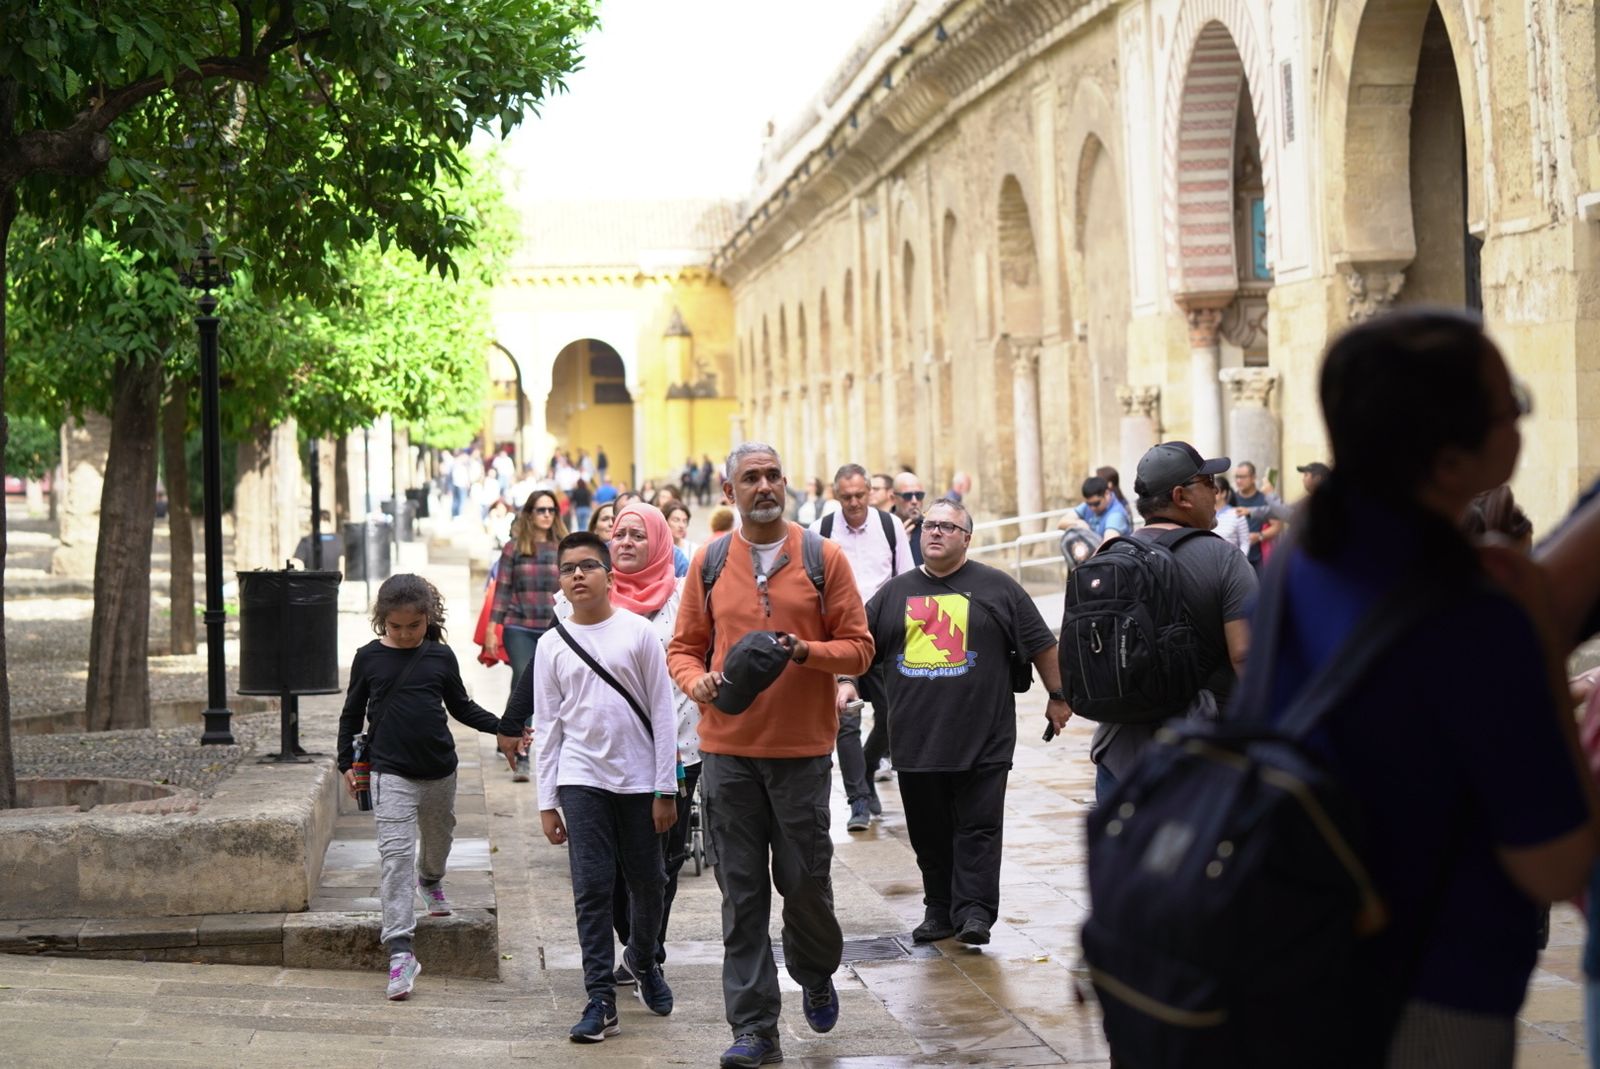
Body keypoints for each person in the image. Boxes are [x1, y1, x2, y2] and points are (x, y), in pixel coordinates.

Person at [1249, 309, 1596, 1065]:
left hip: (1301, 959)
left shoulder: (1306, 548)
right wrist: (1541, 643)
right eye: (1511, 408)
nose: (1521, 423)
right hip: (1429, 991)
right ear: (1447, 460)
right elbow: (1556, 862)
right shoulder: (1479, 612)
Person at [667, 442, 874, 1069]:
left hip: (802, 753)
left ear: (785, 484)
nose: (765, 486)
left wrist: (807, 652)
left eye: (773, 475)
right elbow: (683, 648)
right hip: (727, 752)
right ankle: (755, 1029)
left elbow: (860, 648)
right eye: (751, 477)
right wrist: (696, 681)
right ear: (729, 492)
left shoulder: (822, 557)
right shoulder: (708, 562)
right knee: (742, 894)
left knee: (805, 882)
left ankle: (814, 969)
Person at [848, 498, 1064, 947]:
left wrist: (1058, 697)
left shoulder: (999, 587)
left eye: (947, 527)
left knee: (979, 828)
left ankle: (975, 913)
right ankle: (939, 910)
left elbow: (1042, 643)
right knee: (929, 833)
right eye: (930, 525)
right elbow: (858, 644)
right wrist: (846, 682)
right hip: (917, 740)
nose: (935, 532)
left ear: (967, 538)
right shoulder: (894, 593)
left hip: (985, 737)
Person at [530, 532, 680, 1041]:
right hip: (581, 779)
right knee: (592, 888)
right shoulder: (551, 644)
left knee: (648, 880)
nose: (578, 575)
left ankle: (643, 959)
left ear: (610, 576)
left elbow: (663, 712)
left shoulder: (638, 634)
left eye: (588, 565)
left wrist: (665, 789)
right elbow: (548, 726)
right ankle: (599, 997)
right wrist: (546, 801)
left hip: (639, 779)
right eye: (568, 568)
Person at [336, 574, 510, 1001]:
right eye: (395, 626)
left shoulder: (440, 657)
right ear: (382, 620)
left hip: (439, 770)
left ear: (427, 618)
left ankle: (430, 880)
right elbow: (351, 714)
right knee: (395, 858)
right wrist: (345, 763)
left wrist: (504, 728)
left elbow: (461, 707)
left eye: (413, 626)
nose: (404, 633)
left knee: (439, 836)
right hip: (389, 772)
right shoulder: (368, 658)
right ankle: (400, 950)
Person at [1087, 441, 1257, 804]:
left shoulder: (1110, 556)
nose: (1216, 492)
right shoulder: (1224, 559)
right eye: (1208, 483)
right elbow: (1246, 656)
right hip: (1202, 756)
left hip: (1118, 754)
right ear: (1181, 496)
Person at [811, 463, 914, 830]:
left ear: (870, 492)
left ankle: (868, 769)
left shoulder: (889, 526)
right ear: (836, 496)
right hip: (840, 636)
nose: (854, 503)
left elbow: (906, 579)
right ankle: (858, 800)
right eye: (846, 497)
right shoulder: (821, 530)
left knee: (893, 714)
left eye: (859, 495)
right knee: (846, 717)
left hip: (883, 637)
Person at [488, 489, 566, 780]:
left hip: (552, 626)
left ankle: (507, 729)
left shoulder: (563, 547)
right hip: (518, 624)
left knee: (538, 686)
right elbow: (502, 590)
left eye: (551, 510)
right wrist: (492, 628)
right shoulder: (514, 548)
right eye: (541, 510)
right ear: (529, 514)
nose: (547, 515)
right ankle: (522, 753)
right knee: (526, 678)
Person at [1056, 475, 1132, 561]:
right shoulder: (1088, 506)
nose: (1092, 508)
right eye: (1089, 504)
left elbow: (1107, 544)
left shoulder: (1116, 514)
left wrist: (1088, 563)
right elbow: (1061, 523)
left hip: (1113, 560)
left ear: (1106, 494)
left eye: (1096, 503)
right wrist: (1078, 523)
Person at [1232, 461, 1281, 571]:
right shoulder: (1231, 499)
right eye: (1236, 477)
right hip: (1236, 560)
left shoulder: (1265, 499)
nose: (1238, 481)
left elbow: (1277, 526)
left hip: (1259, 560)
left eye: (1242, 477)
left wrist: (1259, 536)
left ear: (1253, 478)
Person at [893, 472, 927, 566]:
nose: (914, 501)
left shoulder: (931, 528)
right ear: (893, 498)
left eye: (919, 495)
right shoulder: (883, 526)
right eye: (907, 496)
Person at [1212, 475, 1250, 555]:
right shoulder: (1204, 514)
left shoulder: (1237, 514)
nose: (1212, 493)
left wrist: (1240, 560)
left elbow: (1245, 543)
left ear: (1224, 493)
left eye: (1215, 490)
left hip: (1231, 560)